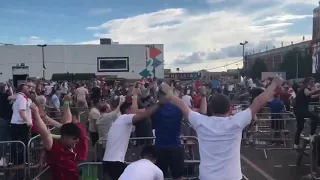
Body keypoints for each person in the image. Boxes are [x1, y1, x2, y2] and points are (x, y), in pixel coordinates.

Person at [160, 76, 283, 180]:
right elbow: (258, 101)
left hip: (207, 177)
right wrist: (274, 84)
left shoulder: (201, 122)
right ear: (229, 109)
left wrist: (169, 92)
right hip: (232, 176)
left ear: (211, 109)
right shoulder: (237, 122)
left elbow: (183, 106)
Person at [102, 88, 159, 180]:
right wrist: (159, 105)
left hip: (108, 161)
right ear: (126, 110)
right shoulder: (125, 118)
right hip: (115, 162)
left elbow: (142, 112)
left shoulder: (120, 121)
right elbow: (141, 113)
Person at [29, 102, 81, 180]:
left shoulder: (70, 146)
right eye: (75, 138)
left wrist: (66, 103)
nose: (77, 140)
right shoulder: (55, 149)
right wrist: (36, 113)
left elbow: (67, 121)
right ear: (66, 137)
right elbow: (45, 133)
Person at [293, 77, 320, 149]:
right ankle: (312, 134)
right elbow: (308, 94)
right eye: (312, 82)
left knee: (300, 127)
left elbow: (310, 96)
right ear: (308, 82)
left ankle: (296, 144)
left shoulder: (304, 89)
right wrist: (318, 89)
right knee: (316, 117)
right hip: (301, 110)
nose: (313, 83)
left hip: (299, 110)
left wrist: (318, 95)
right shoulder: (304, 89)